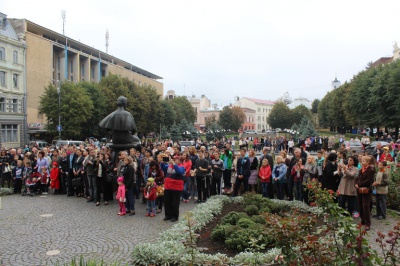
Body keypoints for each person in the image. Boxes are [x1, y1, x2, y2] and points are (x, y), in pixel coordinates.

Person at [355, 155, 376, 231]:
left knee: (366, 206)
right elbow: (357, 178)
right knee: (360, 205)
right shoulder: (361, 169)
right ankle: (363, 220)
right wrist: (356, 184)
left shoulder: (371, 170)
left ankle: (368, 223)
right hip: (359, 190)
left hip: (367, 190)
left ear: (368, 162)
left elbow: (369, 181)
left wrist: (359, 184)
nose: (362, 162)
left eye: (363, 161)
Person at [162, 156, 185, 222]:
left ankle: (175, 216)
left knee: (175, 203)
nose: (174, 160)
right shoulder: (169, 166)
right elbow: (163, 169)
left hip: (176, 188)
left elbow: (180, 172)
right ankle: (168, 215)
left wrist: (174, 164)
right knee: (167, 202)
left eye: (176, 159)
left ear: (180, 161)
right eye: (174, 159)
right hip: (168, 186)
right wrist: (162, 163)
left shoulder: (181, 167)